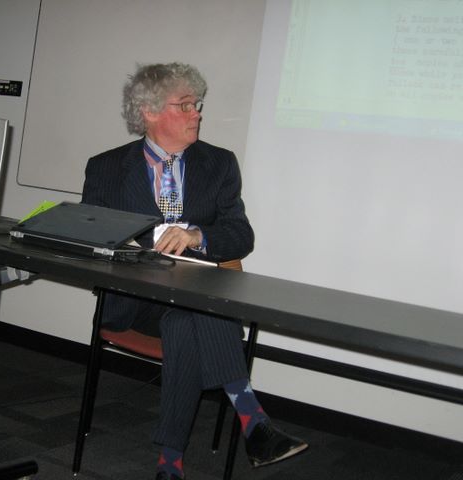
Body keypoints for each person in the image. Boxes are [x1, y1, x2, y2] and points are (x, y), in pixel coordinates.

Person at [81, 62, 308, 480]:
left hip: (194, 296)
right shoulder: (106, 167)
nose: (197, 113)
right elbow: (93, 238)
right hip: (136, 300)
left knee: (186, 319)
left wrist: (198, 235)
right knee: (197, 311)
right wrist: (137, 247)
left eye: (196, 104)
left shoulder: (219, 164)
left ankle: (171, 462)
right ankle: (252, 419)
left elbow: (240, 236)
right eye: (185, 105)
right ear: (149, 112)